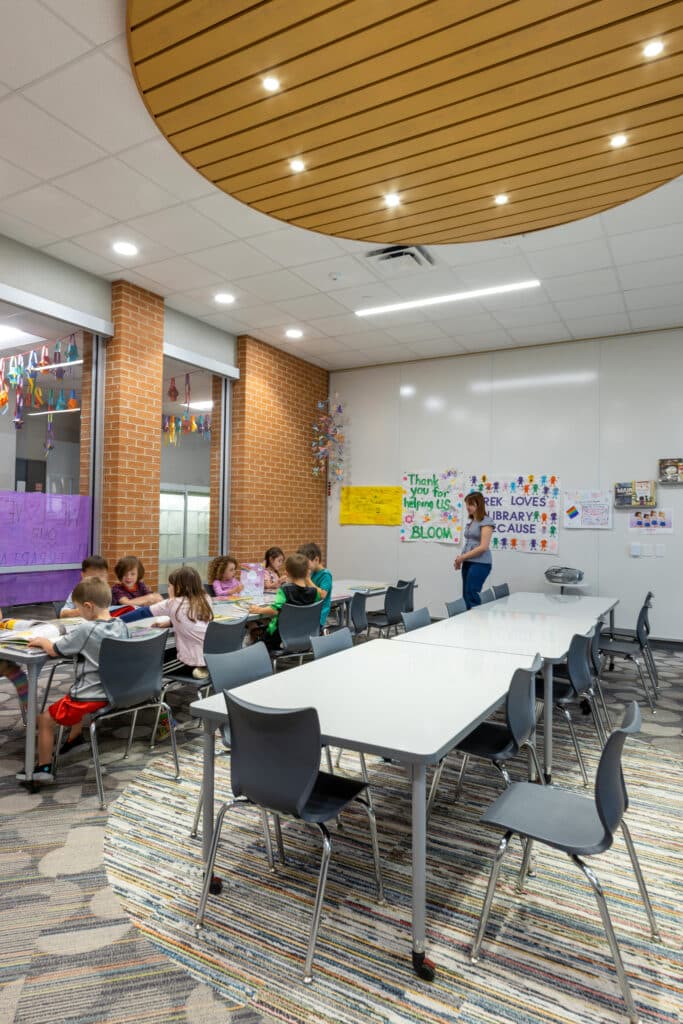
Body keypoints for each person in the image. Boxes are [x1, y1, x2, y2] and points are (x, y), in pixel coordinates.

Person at [27, 577, 129, 782]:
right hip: (116, 692)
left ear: (89, 607)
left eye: (79, 610)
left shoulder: (85, 629)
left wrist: (42, 641)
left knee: (44, 720)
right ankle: (74, 738)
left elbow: (55, 650)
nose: (80, 614)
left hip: (91, 695)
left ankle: (42, 769)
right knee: (73, 696)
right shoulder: (121, 625)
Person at [149, 566, 214, 679]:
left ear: (178, 587)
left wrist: (115, 617)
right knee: (164, 655)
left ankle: (155, 694)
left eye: (169, 586)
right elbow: (192, 620)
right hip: (211, 658)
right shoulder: (205, 599)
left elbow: (143, 612)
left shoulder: (174, 603)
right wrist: (171, 622)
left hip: (191, 663)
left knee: (150, 669)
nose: (168, 589)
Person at [249, 553, 318, 651]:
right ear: (307, 573)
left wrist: (259, 609)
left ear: (287, 572)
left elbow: (274, 611)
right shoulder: (314, 592)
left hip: (278, 636)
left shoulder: (285, 590)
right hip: (304, 634)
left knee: (255, 642)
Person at [454, 491, 495, 609]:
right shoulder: (472, 521)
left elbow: (483, 547)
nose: (468, 507)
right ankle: (467, 623)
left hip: (481, 563)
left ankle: (476, 624)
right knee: (466, 595)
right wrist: (460, 559)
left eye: (471, 504)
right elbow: (469, 544)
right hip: (468, 561)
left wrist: (462, 557)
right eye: (467, 504)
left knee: (472, 595)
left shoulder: (486, 521)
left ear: (479, 505)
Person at [298, 542, 333, 628]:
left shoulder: (326, 575)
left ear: (316, 560)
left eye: (306, 563)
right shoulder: (312, 573)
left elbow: (322, 595)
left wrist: (307, 579)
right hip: (310, 612)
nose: (304, 566)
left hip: (318, 616)